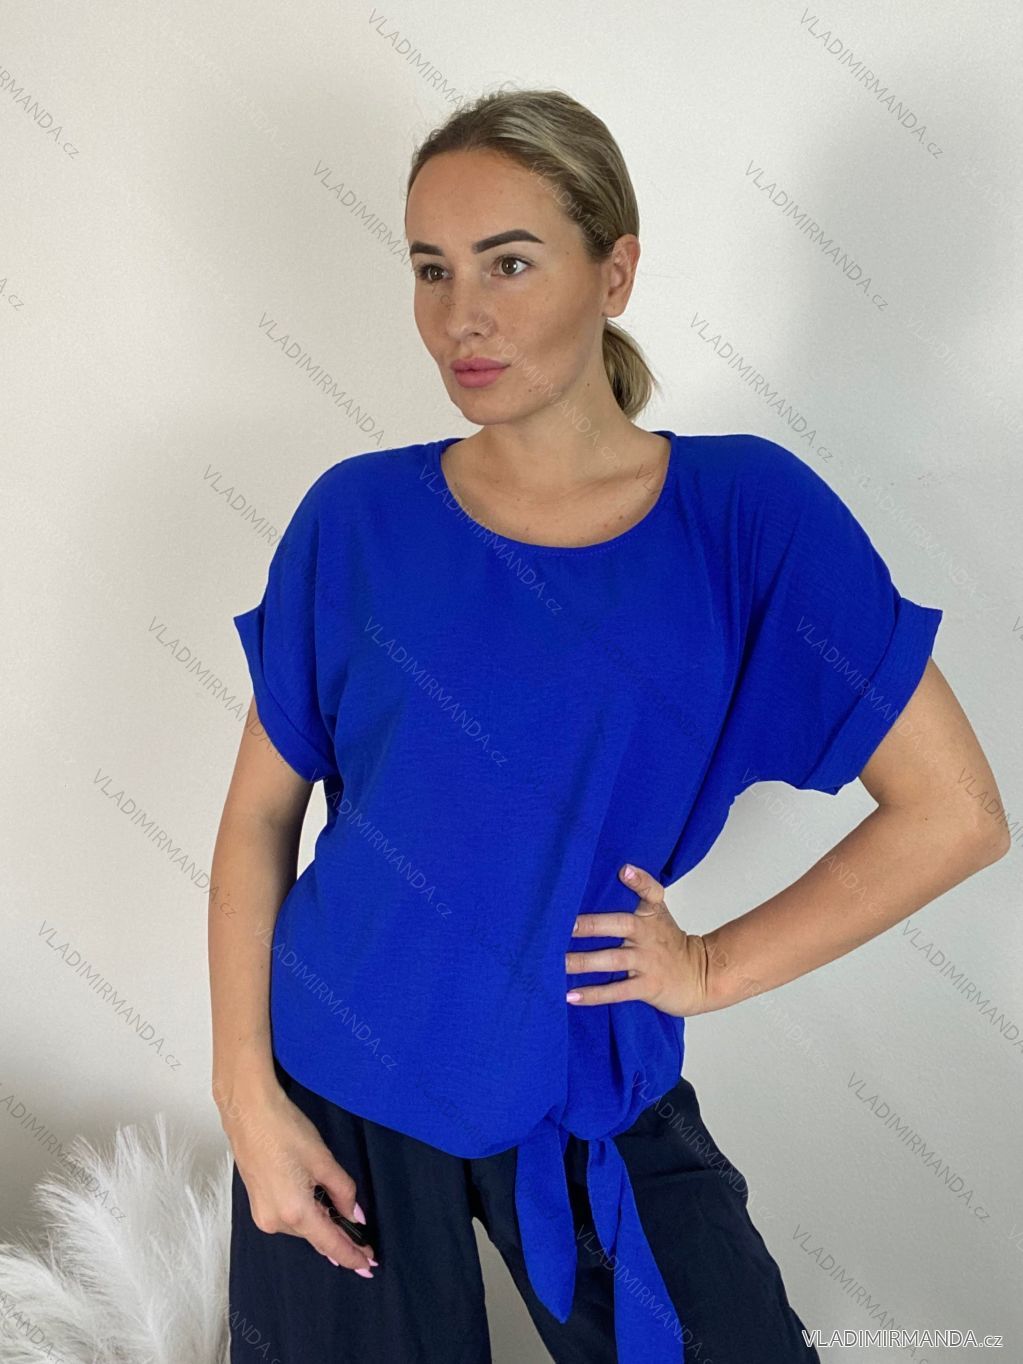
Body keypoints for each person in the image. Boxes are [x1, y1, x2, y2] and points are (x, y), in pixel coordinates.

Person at [209, 87, 1009, 1364]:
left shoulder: (744, 515)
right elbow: (261, 814)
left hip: (589, 1080)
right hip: (339, 1079)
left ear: (615, 271)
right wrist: (245, 1094)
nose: (460, 316)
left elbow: (957, 812)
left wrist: (712, 968)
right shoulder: (355, 518)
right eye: (431, 268)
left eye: (509, 262)